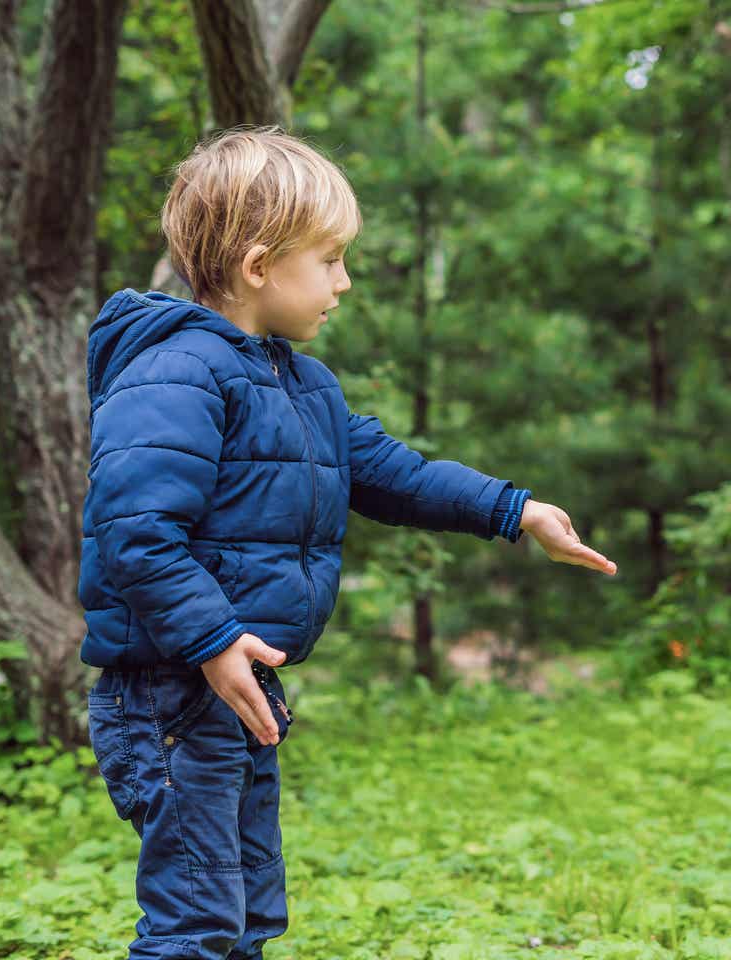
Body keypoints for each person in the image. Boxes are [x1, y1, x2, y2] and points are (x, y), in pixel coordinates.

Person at [79, 126, 615, 959]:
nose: (345, 281)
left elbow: (393, 474)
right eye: (328, 259)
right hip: (169, 693)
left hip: (233, 685)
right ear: (259, 266)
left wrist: (515, 511)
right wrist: (214, 640)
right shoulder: (175, 372)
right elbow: (136, 534)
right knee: (195, 924)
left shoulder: (301, 386)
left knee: (247, 915)